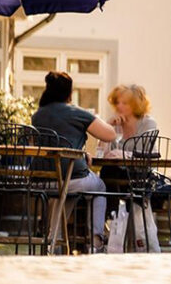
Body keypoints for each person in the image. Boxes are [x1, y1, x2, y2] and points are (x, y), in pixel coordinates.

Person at [30, 71, 116, 252]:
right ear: (69, 93)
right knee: (98, 186)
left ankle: (55, 245)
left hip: (41, 181)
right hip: (72, 178)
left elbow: (56, 143)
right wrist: (105, 120)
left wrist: (80, 153)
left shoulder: (38, 115)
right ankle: (96, 243)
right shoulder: (76, 113)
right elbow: (109, 135)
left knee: (64, 192)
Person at [106, 84, 158, 149]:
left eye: (124, 103)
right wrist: (107, 125)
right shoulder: (115, 123)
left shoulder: (148, 123)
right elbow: (101, 152)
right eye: (117, 102)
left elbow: (141, 153)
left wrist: (121, 155)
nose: (119, 106)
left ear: (136, 106)